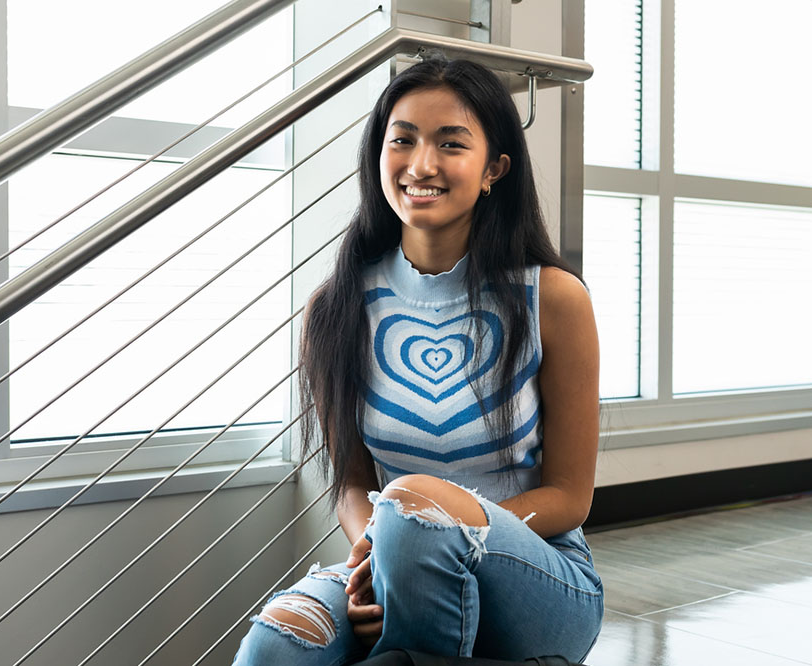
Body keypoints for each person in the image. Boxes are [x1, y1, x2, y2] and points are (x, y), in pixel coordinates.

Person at [232, 55, 602, 665]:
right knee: (279, 642)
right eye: (402, 140)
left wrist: (430, 536)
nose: (421, 164)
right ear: (380, 155)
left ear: (494, 169)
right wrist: (377, 561)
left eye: (450, 144)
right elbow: (352, 484)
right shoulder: (337, 307)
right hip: (388, 548)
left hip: (540, 578)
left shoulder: (553, 298)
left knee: (414, 508)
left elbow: (569, 495)